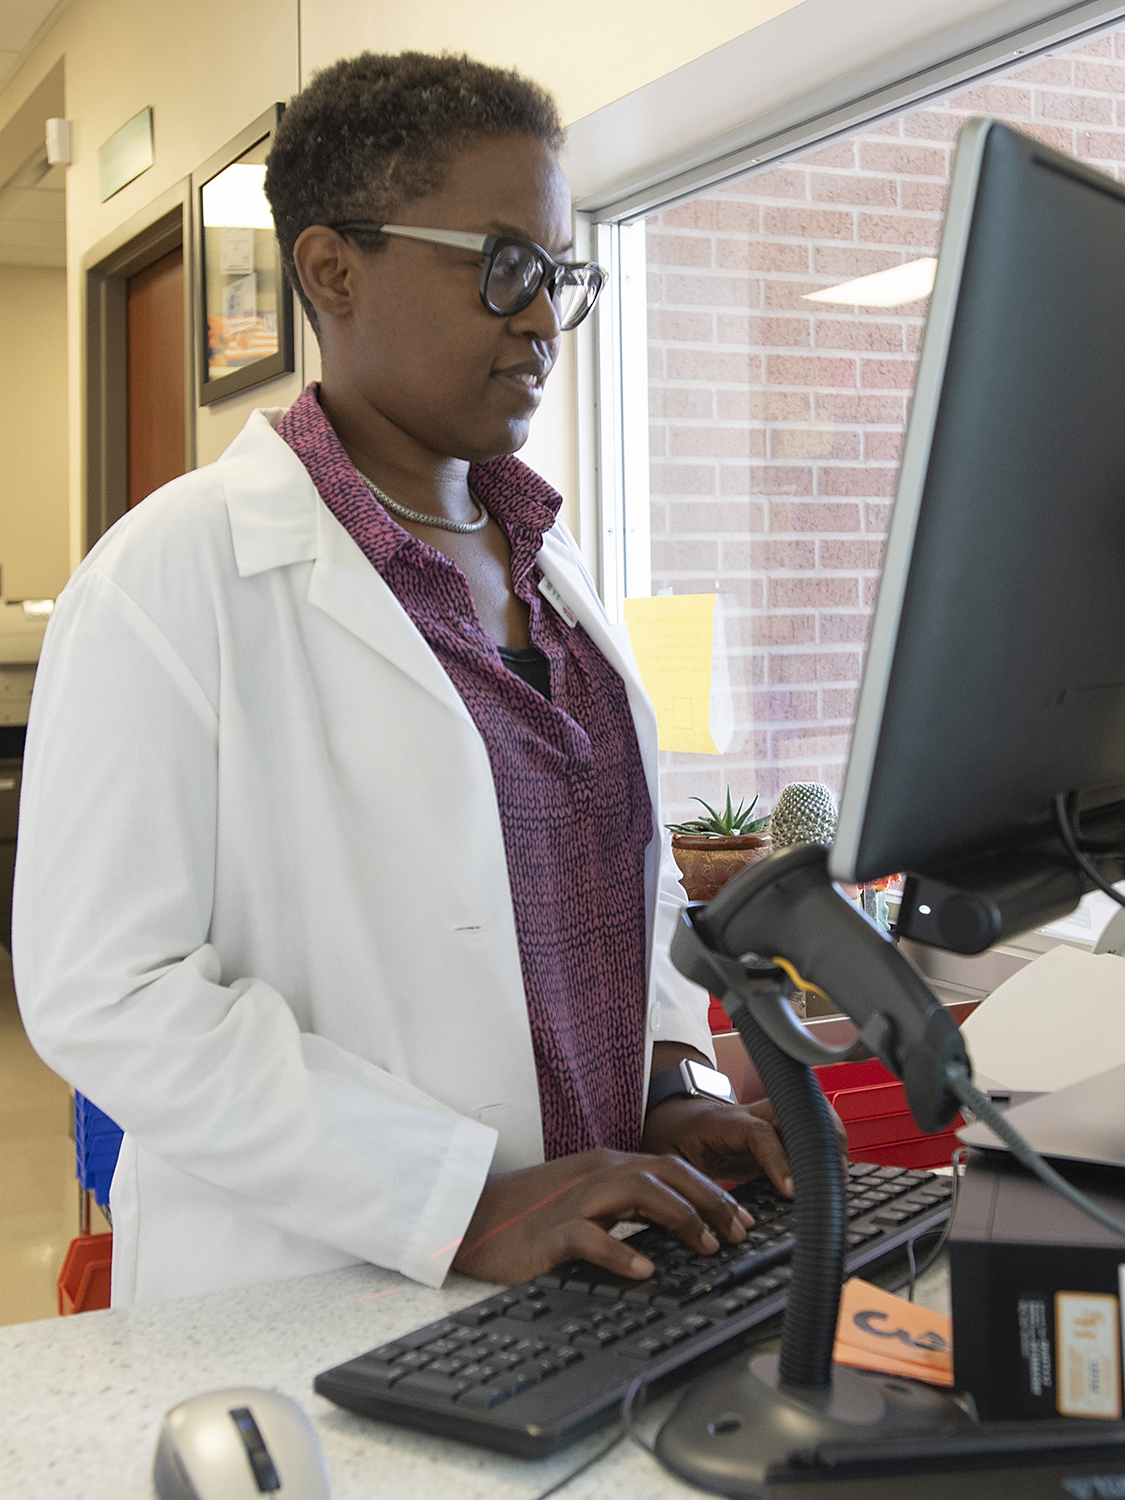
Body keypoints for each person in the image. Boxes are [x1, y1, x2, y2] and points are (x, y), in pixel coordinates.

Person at [14, 52, 813, 1307]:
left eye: (560, 274)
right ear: (333, 269)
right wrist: (452, 1200)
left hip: (594, 1273)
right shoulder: (169, 577)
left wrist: (674, 1085)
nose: (544, 317)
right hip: (311, 1300)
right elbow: (106, 991)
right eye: (504, 266)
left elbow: (626, 886)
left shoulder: (559, 570)